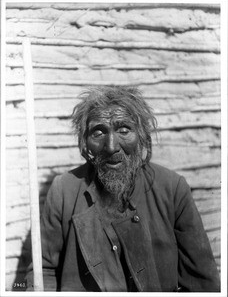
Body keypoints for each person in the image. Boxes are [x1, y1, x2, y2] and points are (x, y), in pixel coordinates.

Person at [26, 86, 220, 292]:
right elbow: (42, 272)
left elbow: (202, 282)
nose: (111, 146)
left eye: (124, 130)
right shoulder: (64, 191)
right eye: (98, 132)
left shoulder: (171, 189)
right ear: (85, 142)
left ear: (142, 136)